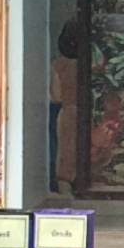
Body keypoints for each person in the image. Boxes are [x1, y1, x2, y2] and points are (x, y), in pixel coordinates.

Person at [49, 20, 78, 192]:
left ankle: (66, 198)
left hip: (67, 113)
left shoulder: (57, 65)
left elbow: (56, 96)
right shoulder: (92, 66)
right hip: (90, 116)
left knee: (65, 160)